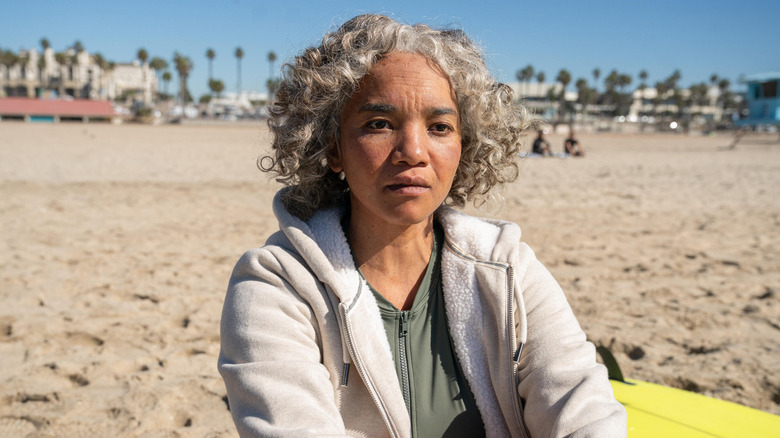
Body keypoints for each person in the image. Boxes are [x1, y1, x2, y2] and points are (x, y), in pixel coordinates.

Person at [218, 14, 626, 438]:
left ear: (464, 146)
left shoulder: (508, 271)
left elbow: (582, 408)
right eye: (379, 124)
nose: (413, 151)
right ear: (333, 148)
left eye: (439, 127)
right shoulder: (274, 286)